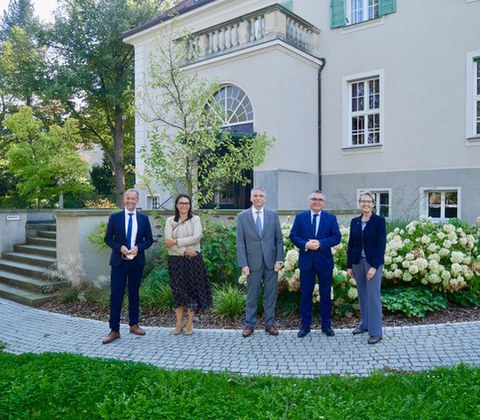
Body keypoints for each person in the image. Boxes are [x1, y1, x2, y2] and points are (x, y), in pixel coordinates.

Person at [102, 189, 153, 344]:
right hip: (119, 262)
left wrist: (139, 247)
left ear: (137, 200)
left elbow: (149, 240)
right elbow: (108, 239)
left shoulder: (143, 219)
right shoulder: (115, 217)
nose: (130, 201)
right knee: (116, 296)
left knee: (134, 294)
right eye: (128, 198)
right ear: (124, 200)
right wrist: (120, 247)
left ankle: (134, 324)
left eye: (133, 199)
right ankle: (114, 330)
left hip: (136, 262)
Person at [289, 190, 341, 338]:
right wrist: (305, 244)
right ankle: (305, 326)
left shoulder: (330, 218)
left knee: (325, 295)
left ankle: (326, 326)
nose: (317, 202)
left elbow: (337, 237)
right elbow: (293, 236)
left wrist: (321, 243)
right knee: (306, 295)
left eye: (320, 199)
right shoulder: (301, 217)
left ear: (323, 202)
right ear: (309, 201)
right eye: (314, 199)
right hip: (306, 263)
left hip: (324, 262)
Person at [236, 187, 284, 338]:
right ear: (251, 198)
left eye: (261, 196)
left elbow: (279, 239)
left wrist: (279, 259)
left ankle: (269, 324)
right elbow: (240, 242)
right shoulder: (242, 217)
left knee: (270, 295)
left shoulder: (272, 215)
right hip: (252, 263)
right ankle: (249, 325)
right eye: (255, 196)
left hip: (271, 263)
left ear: (265, 198)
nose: (258, 198)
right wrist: (243, 263)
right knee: (252, 295)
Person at [165, 194, 212, 336]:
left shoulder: (195, 219)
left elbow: (196, 237)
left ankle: (190, 323)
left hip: (194, 260)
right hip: (175, 260)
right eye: (181, 203)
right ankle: (179, 323)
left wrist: (177, 242)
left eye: (186, 203)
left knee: (192, 290)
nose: (183, 205)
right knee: (178, 291)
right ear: (176, 205)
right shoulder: (170, 221)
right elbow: (168, 242)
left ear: (190, 205)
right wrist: (185, 249)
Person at [347, 191, 386, 344]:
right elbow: (351, 244)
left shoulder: (379, 221)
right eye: (363, 201)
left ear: (373, 204)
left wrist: (374, 267)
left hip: (372, 263)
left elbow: (381, 245)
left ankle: (376, 331)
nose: (366, 204)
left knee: (373, 296)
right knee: (362, 294)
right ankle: (365, 324)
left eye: (369, 201)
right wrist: (349, 264)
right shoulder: (354, 221)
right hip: (357, 262)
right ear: (359, 203)